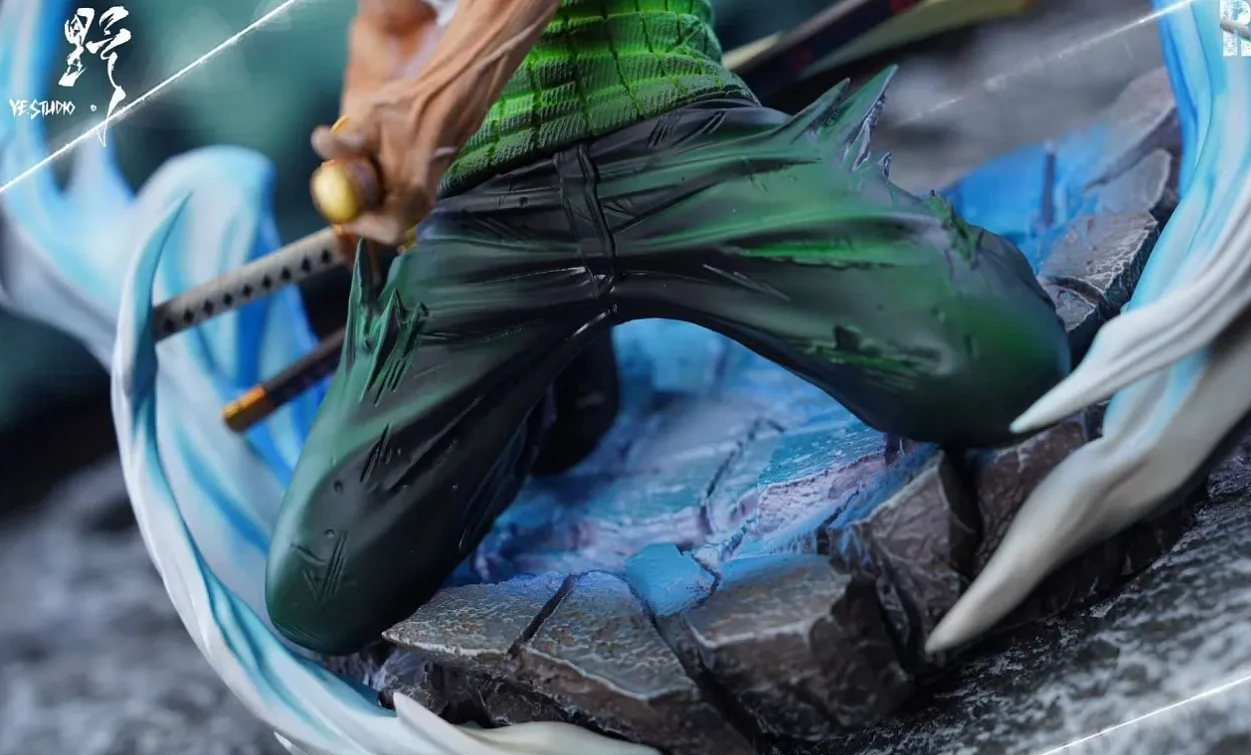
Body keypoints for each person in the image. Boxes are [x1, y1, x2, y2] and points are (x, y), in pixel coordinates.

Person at [265, 0, 1071, 655]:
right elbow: (391, 23)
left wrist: (433, 103)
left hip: (674, 124)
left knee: (1001, 361)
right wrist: (373, 139)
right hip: (483, 209)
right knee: (322, 590)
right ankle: (553, 374)